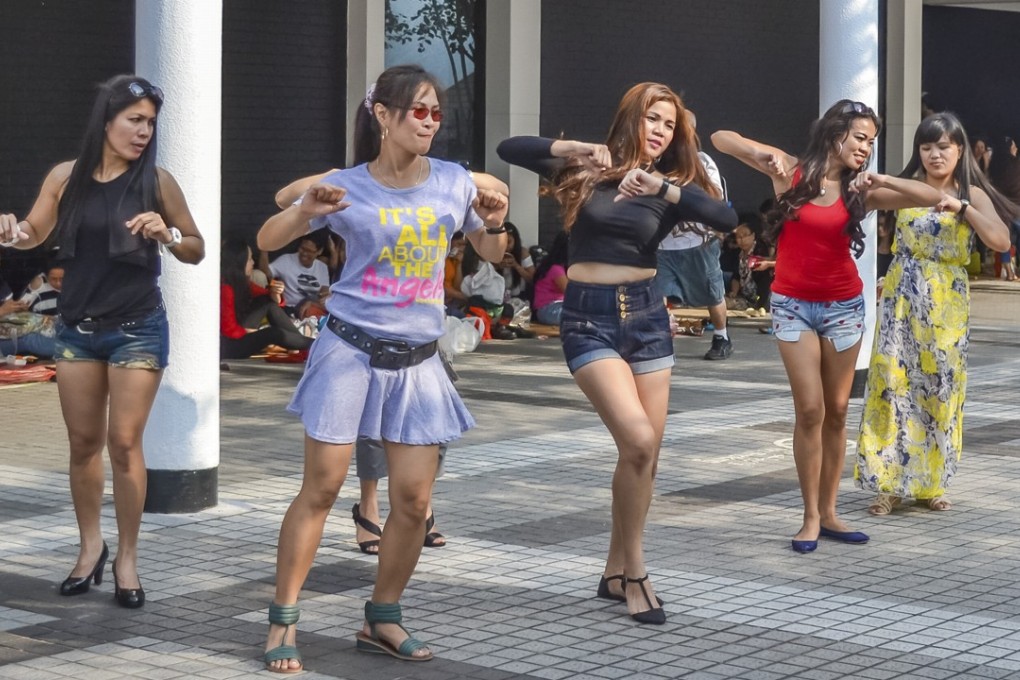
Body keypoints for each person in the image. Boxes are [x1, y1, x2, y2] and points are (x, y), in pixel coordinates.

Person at [258, 64, 508, 672]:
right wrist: (305, 208)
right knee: (320, 488)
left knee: (415, 503)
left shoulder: (452, 182)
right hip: (349, 349)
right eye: (417, 110)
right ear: (383, 115)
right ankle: (283, 622)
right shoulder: (346, 185)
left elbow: (492, 252)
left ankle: (383, 616)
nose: (429, 121)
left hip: (419, 360)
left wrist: (495, 219)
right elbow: (269, 236)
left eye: (436, 112)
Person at [498, 82, 737, 624]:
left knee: (643, 457)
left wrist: (666, 190)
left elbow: (724, 219)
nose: (660, 130)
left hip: (648, 318)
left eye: (669, 125)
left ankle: (612, 571)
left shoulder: (665, 187)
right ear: (631, 119)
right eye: (652, 118)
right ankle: (636, 573)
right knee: (637, 439)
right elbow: (508, 148)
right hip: (587, 320)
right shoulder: (582, 173)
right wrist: (573, 149)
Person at [0, 75, 205, 606]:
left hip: (136, 328)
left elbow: (197, 247)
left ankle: (128, 559)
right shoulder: (65, 178)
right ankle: (90, 547)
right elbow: (35, 231)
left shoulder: (157, 182)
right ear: (107, 120)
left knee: (124, 444)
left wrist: (169, 235)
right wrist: (12, 232)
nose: (143, 131)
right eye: (134, 120)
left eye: (150, 123)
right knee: (83, 445)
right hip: (76, 330)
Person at [711, 99, 941, 554]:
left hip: (844, 307)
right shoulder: (790, 173)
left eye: (871, 142)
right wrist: (762, 156)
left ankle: (831, 511)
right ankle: (810, 516)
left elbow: (931, 197)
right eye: (859, 137)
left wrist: (883, 178)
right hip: (793, 305)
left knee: (837, 412)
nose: (865, 147)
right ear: (834, 133)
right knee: (811, 410)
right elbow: (720, 139)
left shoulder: (862, 191)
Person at [855, 112, 1015, 516]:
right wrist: (869, 179)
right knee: (892, 386)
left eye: (943, 146)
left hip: (946, 305)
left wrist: (962, 209)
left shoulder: (972, 194)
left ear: (960, 150)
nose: (934, 154)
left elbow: (999, 239)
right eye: (926, 147)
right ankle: (887, 484)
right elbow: (866, 201)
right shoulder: (913, 189)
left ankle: (931, 483)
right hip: (902, 300)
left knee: (939, 390)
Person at [655, 110, 733, 360]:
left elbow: (715, 201)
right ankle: (660, 337)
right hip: (663, 243)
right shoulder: (654, 160)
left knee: (712, 292)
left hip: (697, 242)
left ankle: (722, 336)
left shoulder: (702, 161)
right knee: (658, 293)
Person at [220, 239, 313, 360]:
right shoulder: (225, 288)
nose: (253, 262)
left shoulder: (242, 282)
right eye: (249, 259)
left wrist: (276, 293)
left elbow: (269, 298)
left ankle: (306, 345)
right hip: (229, 345)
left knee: (266, 301)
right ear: (240, 262)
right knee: (272, 333)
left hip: (240, 332)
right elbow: (229, 331)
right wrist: (253, 332)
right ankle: (317, 345)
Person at [261, 236, 331, 319]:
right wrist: (264, 250)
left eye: (309, 251)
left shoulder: (322, 267)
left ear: (319, 251)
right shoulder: (286, 260)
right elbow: (265, 274)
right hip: (290, 310)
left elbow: (324, 292)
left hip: (312, 311)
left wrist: (325, 296)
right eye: (302, 248)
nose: (304, 253)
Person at [530, 230, 569, 325]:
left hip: (556, 306)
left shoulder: (557, 266)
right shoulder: (556, 268)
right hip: (548, 309)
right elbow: (570, 292)